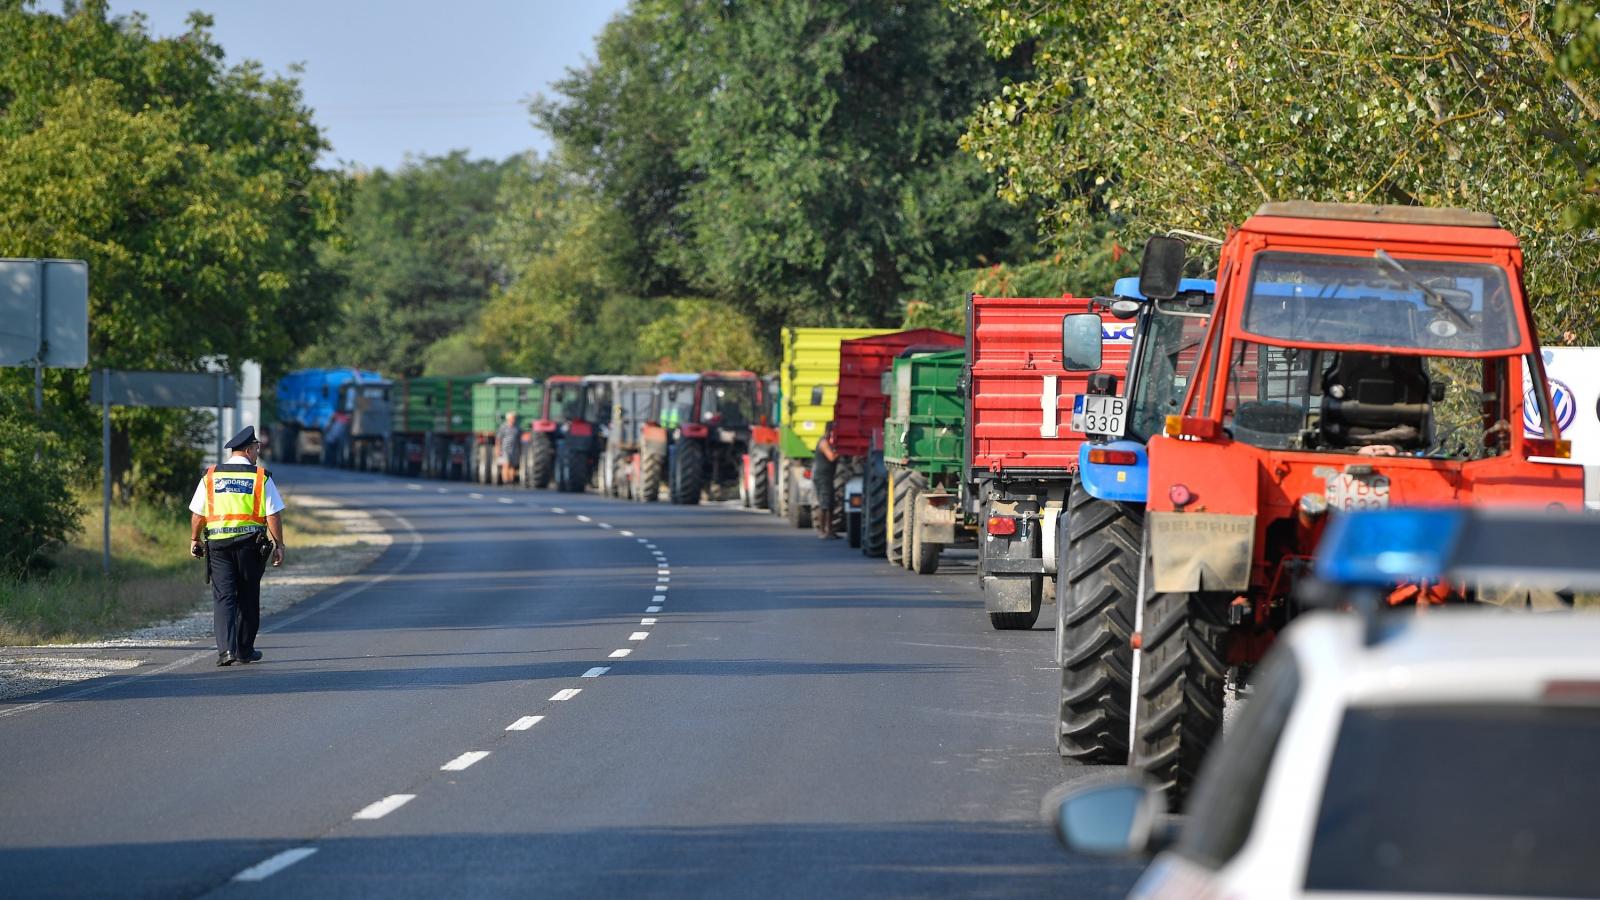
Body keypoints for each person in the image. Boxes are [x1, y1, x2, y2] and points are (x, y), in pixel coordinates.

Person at [188, 426, 286, 667]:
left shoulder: (210, 476)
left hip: (218, 546)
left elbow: (198, 514)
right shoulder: (260, 477)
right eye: (256, 449)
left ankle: (226, 652)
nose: (257, 454)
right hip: (249, 546)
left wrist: (194, 539)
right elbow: (273, 514)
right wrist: (279, 544)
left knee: (224, 598)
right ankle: (244, 650)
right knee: (248, 596)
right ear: (248, 449)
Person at [811, 425, 839, 540]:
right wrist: (841, 451)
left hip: (828, 477)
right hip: (822, 477)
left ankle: (830, 530)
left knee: (830, 504)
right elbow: (831, 457)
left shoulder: (828, 442)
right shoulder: (823, 442)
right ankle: (822, 531)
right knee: (824, 503)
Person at [495, 410, 521, 484]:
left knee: (512, 465)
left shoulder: (517, 428)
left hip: (514, 448)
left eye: (514, 418)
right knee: (506, 464)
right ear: (508, 419)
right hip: (505, 448)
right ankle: (505, 480)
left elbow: (520, 438)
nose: (513, 419)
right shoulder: (503, 427)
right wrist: (498, 449)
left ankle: (511, 480)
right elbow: (499, 439)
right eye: (512, 418)